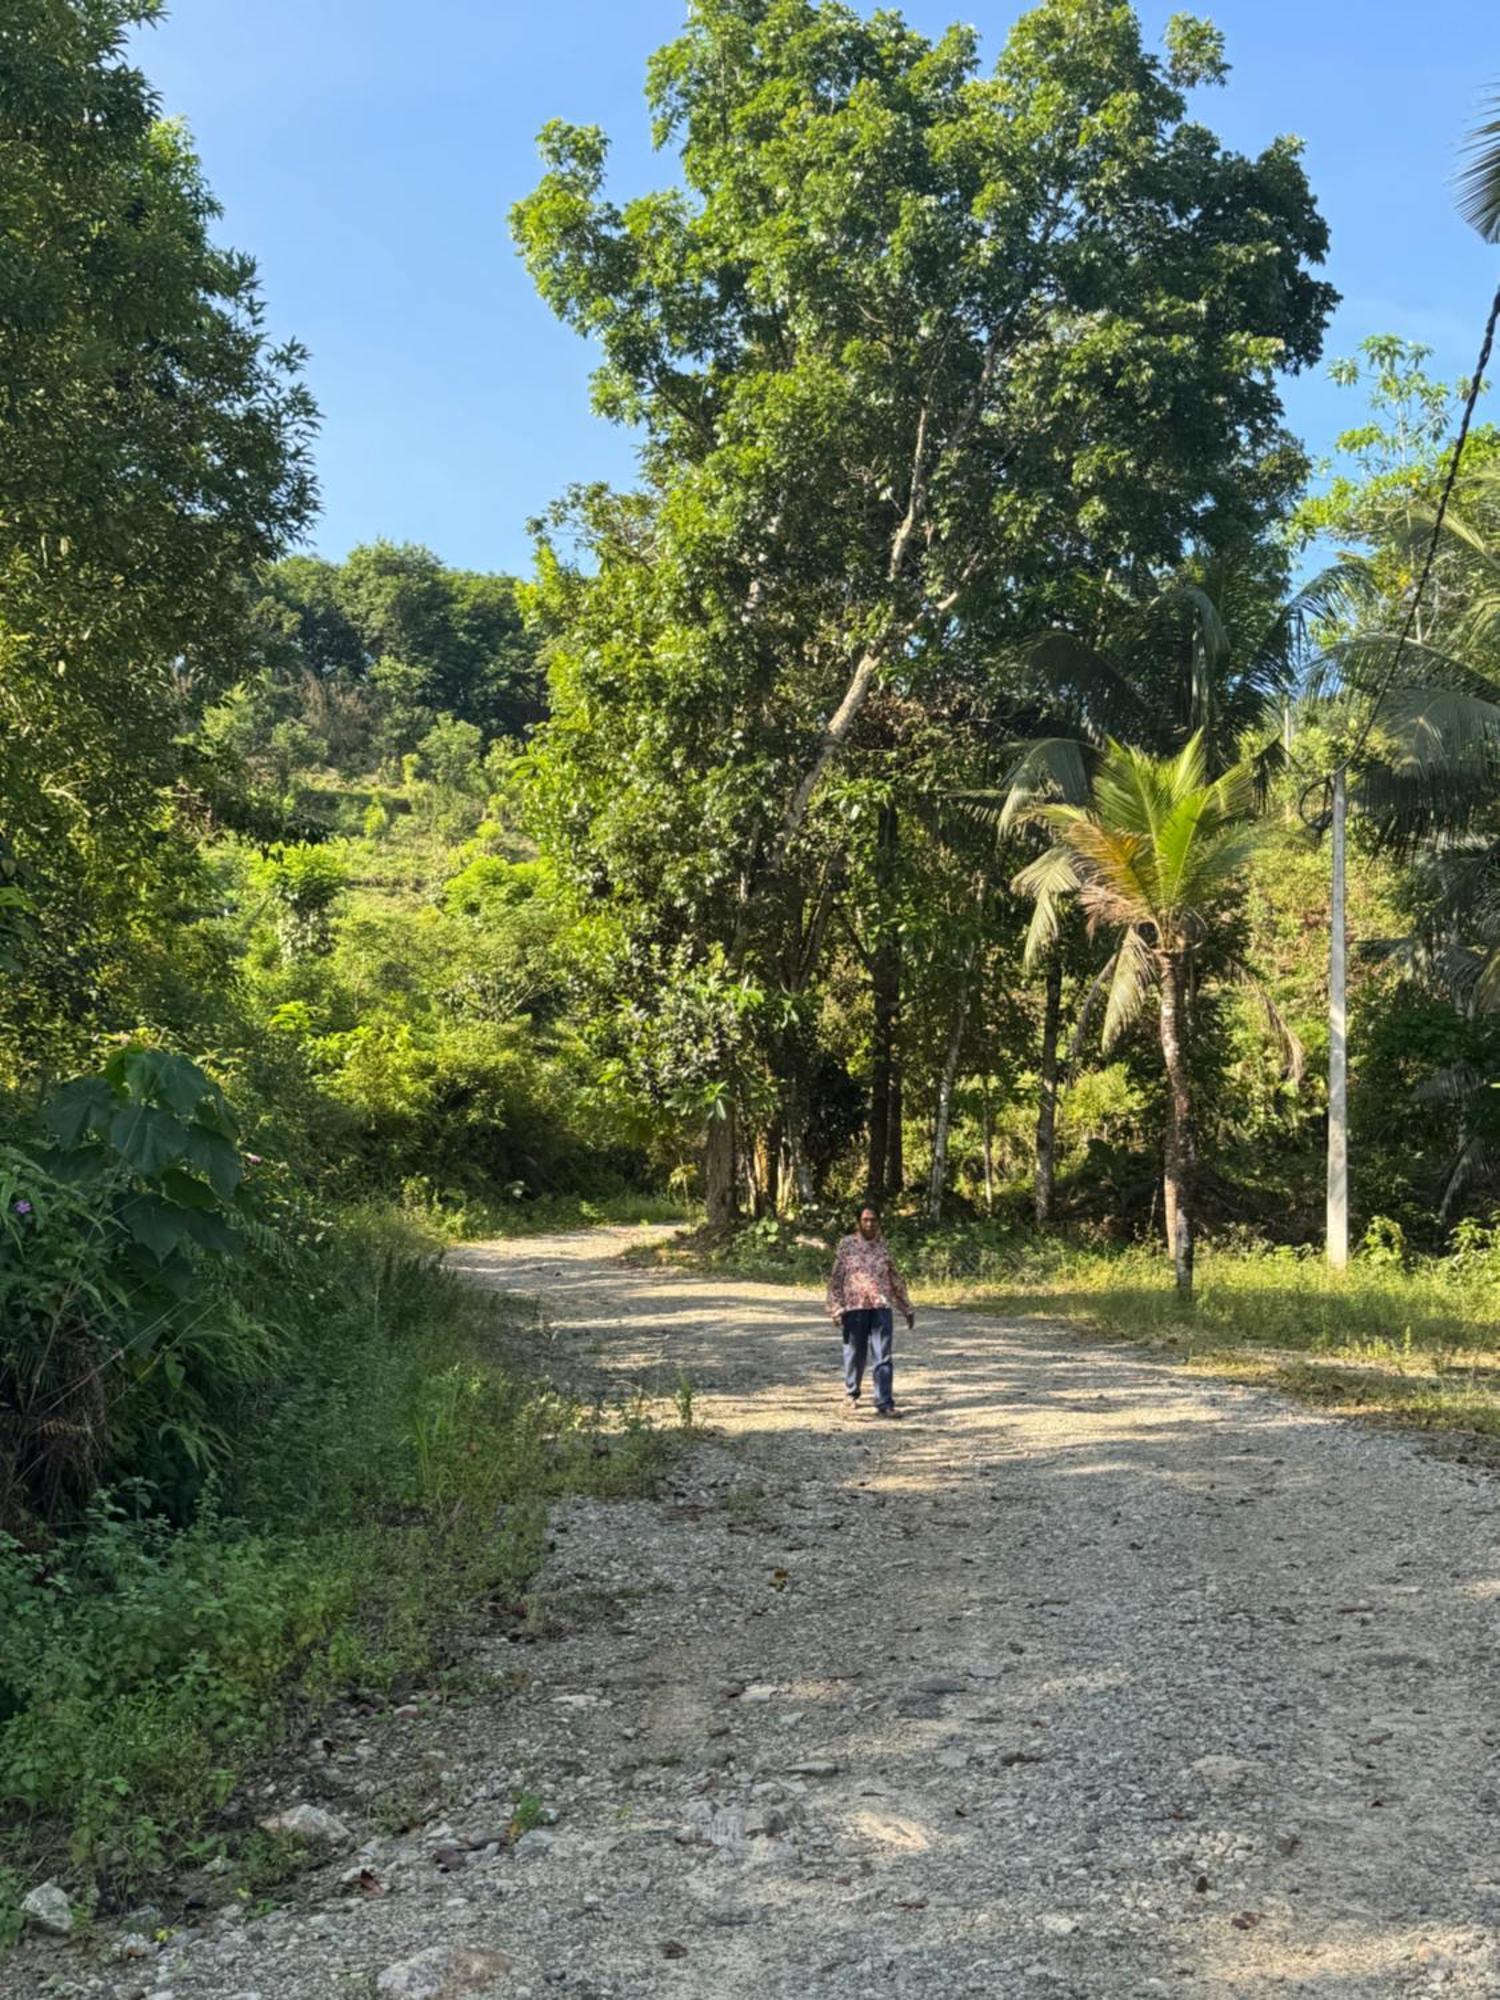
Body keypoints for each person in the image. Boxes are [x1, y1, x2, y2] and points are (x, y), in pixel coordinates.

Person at [825, 1203, 915, 1418]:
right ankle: (851, 1394)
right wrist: (835, 1307)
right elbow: (836, 1278)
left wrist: (906, 1307)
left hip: (880, 1306)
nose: (869, 1223)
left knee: (883, 1355)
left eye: (873, 1219)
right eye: (865, 1219)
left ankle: (884, 1402)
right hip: (854, 1307)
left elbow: (894, 1278)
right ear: (858, 1222)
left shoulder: (883, 1246)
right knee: (854, 1353)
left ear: (879, 1222)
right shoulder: (847, 1245)